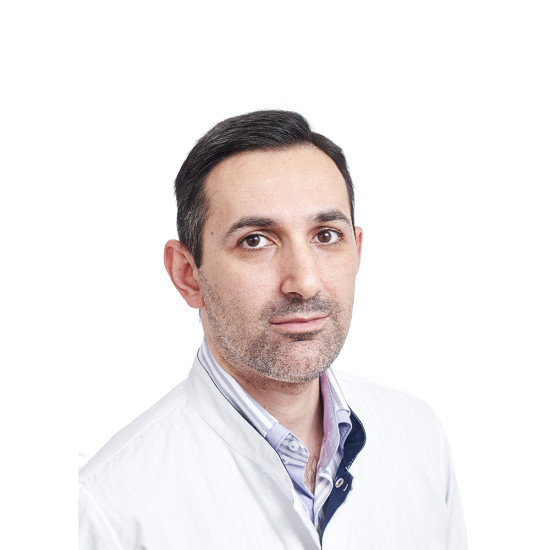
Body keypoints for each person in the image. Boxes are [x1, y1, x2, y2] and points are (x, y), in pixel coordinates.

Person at [79, 110, 467, 549]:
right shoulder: (106, 512)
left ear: (357, 251)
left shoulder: (419, 436)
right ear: (188, 275)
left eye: (326, 235)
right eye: (255, 240)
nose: (305, 282)